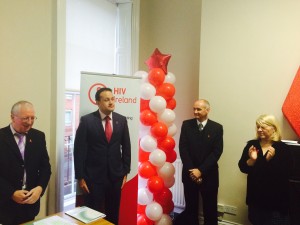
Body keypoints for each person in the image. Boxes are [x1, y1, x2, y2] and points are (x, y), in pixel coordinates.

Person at [74, 87, 131, 225]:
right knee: (92, 215)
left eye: (112, 99)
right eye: (106, 100)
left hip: (115, 177)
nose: (111, 102)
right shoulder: (87, 121)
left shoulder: (121, 120)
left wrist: (125, 171)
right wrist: (80, 177)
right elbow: (79, 150)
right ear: (97, 102)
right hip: (93, 177)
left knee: (113, 214)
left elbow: (127, 147)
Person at [0, 101, 52, 225]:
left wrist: (40, 188)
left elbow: (45, 167)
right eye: (25, 118)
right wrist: (11, 193)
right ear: (12, 117)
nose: (29, 122)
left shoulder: (39, 136)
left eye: (32, 118)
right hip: (5, 205)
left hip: (30, 206)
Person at [175, 99, 223, 225]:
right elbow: (183, 148)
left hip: (209, 175)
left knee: (210, 209)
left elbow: (217, 152)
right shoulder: (186, 125)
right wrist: (192, 171)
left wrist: (200, 170)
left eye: (199, 109)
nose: (195, 112)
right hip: (189, 174)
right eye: (194, 109)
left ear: (208, 110)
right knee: (191, 208)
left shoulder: (217, 128)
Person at [238, 114, 291, 225]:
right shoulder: (252, 145)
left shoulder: (282, 148)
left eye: (263, 127)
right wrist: (252, 160)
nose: (259, 130)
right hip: (255, 198)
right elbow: (242, 167)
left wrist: (268, 161)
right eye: (258, 127)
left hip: (275, 201)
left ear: (274, 128)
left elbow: (283, 174)